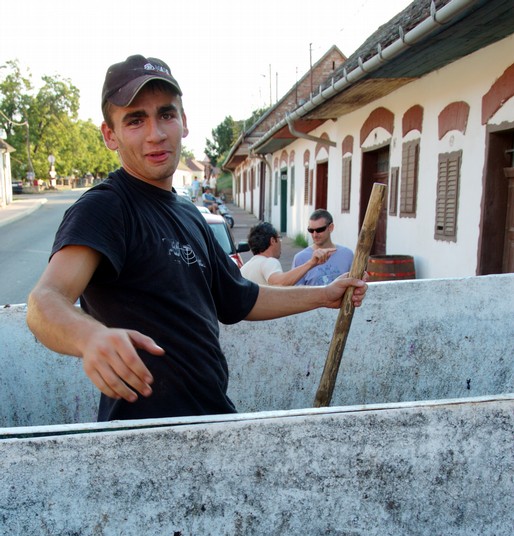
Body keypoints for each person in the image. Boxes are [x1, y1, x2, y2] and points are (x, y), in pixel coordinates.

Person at [26, 54, 367, 423]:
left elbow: (241, 298)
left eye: (166, 115)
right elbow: (44, 301)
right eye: (135, 120)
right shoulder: (107, 208)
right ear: (110, 135)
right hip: (142, 437)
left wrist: (324, 295)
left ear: (184, 122)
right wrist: (89, 337)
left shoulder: (189, 213)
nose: (156, 134)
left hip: (212, 419)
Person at [241, 221, 330, 286]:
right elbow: (279, 283)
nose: (280, 243)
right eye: (279, 238)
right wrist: (311, 263)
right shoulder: (269, 262)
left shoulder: (244, 268)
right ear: (272, 241)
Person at [292, 209, 354, 286]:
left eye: (319, 230)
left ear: (330, 227)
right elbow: (295, 291)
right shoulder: (300, 258)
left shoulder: (347, 254)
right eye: (311, 230)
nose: (315, 235)